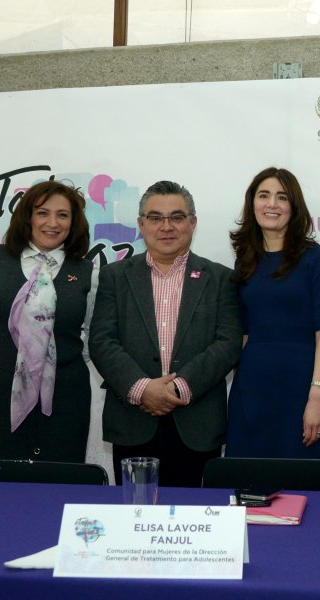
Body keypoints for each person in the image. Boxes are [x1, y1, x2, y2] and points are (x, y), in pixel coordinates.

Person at [89, 180, 242, 487]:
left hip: (197, 422)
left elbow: (227, 344)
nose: (166, 226)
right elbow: (102, 341)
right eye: (156, 218)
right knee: (135, 519)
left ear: (193, 223)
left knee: (195, 524)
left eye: (177, 217)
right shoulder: (114, 276)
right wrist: (143, 388)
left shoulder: (220, 278)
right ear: (141, 224)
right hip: (134, 420)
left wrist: (177, 389)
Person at [0, 180, 98, 478]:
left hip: (65, 401)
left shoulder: (88, 272)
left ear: (74, 222)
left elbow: (95, 337)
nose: (52, 223)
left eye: (63, 215)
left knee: (58, 486)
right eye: (42, 213)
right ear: (27, 216)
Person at [225, 167, 320, 458]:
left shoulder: (316, 259)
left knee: (301, 489)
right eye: (264, 195)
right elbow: (244, 334)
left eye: (281, 197)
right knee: (248, 489)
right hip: (250, 391)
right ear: (252, 203)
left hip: (301, 391)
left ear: (293, 207)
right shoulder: (245, 260)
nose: (271, 204)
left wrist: (316, 396)